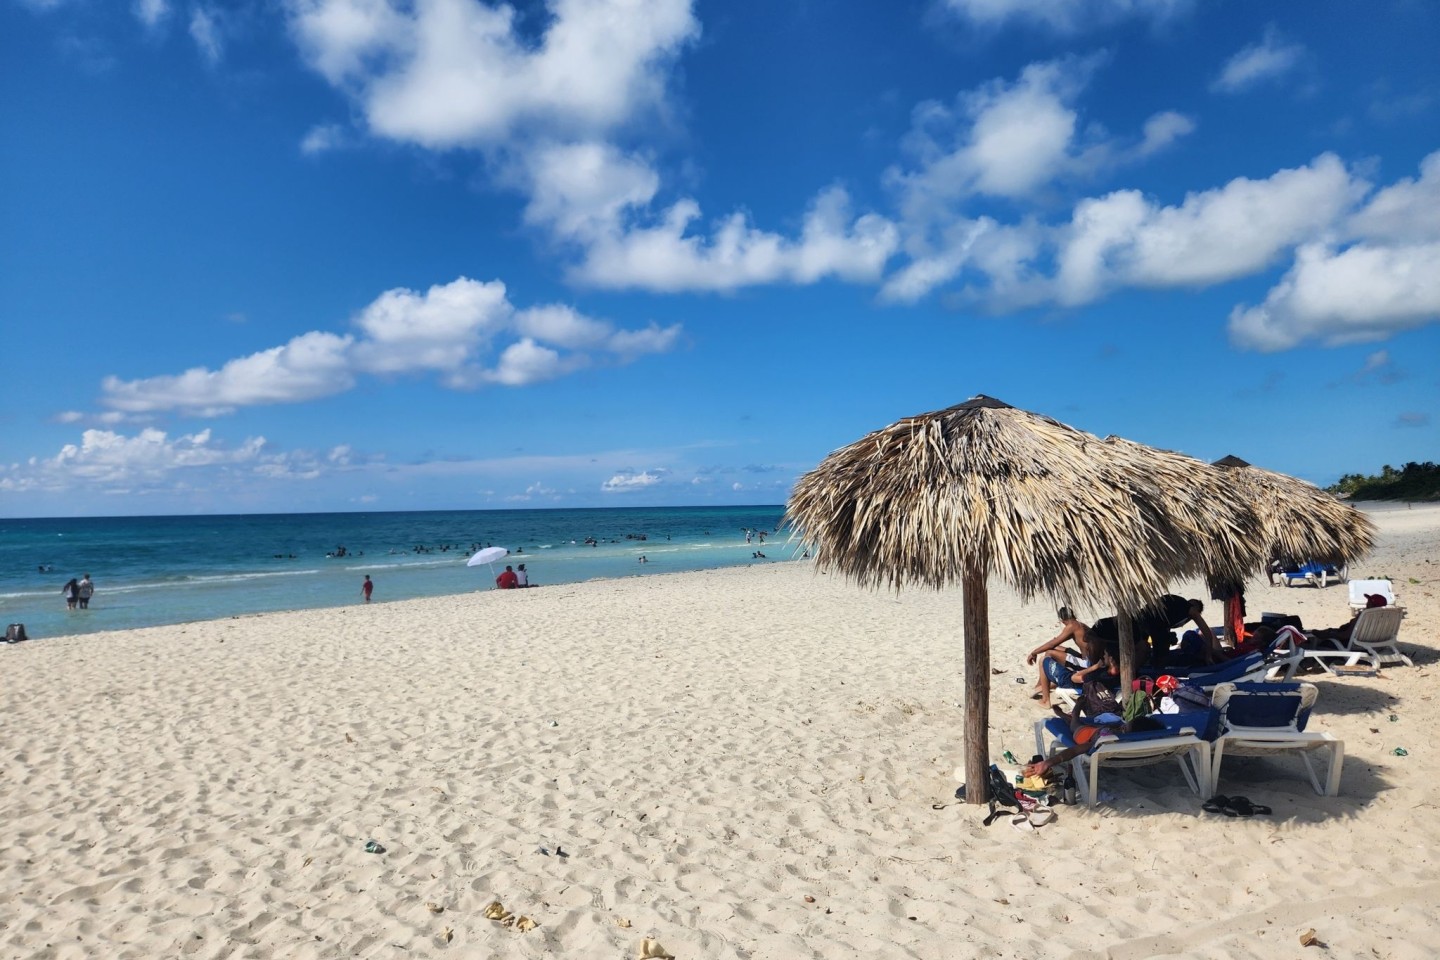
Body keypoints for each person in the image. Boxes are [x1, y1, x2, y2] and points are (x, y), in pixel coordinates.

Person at [1026, 607, 1092, 708]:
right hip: (1086, 658)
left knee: (1048, 653)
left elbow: (1051, 644)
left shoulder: (1072, 626)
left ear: (1062, 620)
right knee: (1057, 648)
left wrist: (1034, 652)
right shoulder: (1080, 625)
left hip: (1087, 664)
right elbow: (1056, 643)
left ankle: (1045, 699)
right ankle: (1042, 685)